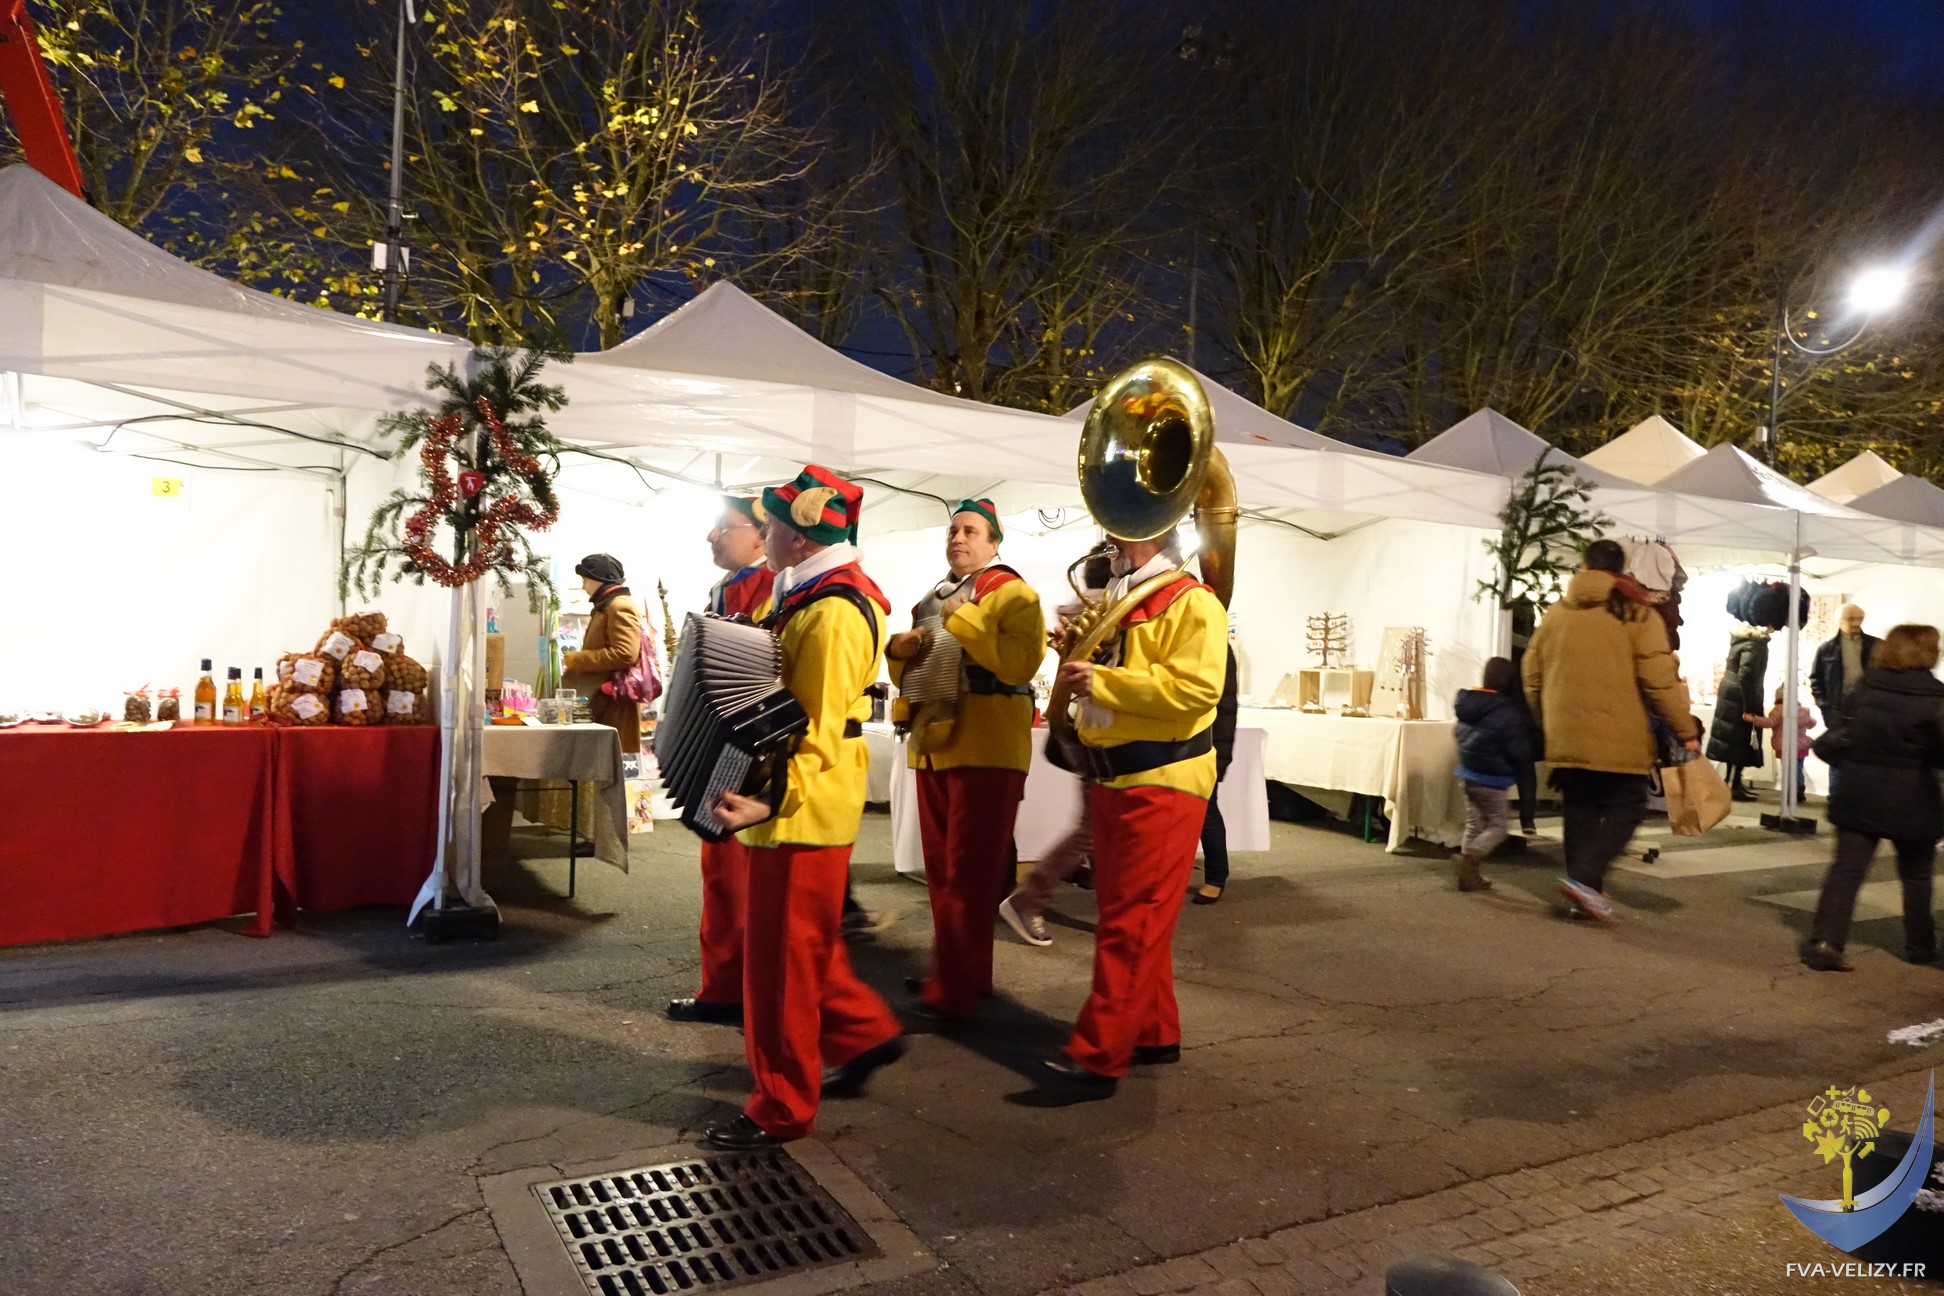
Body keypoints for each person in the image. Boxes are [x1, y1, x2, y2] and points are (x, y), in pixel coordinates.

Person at [704, 465, 905, 1149]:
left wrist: (768, 801)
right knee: (799, 954)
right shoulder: (809, 596)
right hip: (798, 805)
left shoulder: (831, 611)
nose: (762, 533)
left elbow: (815, 731)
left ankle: (782, 1106)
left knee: (781, 968)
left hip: (800, 809)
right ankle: (862, 1036)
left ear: (799, 536)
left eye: (770, 523)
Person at [1042, 528, 1226, 1092]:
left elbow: (1197, 691)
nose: (1107, 535)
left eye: (1119, 528)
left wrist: (1102, 680)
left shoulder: (1193, 601)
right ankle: (1153, 1031)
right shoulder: (1123, 598)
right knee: (1132, 916)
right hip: (1118, 776)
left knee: (1131, 922)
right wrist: (1075, 654)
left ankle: (1099, 1053)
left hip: (1162, 777)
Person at [886, 500, 1045, 1022]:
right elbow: (915, 670)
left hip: (987, 747)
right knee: (942, 874)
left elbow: (1021, 663)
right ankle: (959, 975)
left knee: (970, 876)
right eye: (953, 530)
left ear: (994, 542)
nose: (958, 538)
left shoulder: (1014, 593)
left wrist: (967, 619)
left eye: (971, 531)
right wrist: (898, 651)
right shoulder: (932, 597)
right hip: (935, 746)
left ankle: (955, 990)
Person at [1522, 538, 1701, 924]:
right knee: (1628, 807)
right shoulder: (1636, 613)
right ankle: (1584, 879)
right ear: (1622, 571)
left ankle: (1582, 897)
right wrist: (1685, 729)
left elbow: (1531, 675)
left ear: (1584, 567)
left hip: (1565, 733)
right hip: (1619, 736)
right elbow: (1660, 681)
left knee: (1580, 812)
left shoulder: (1556, 614)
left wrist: (1547, 720)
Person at [666, 500, 778, 1028]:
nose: (712, 537)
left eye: (722, 527)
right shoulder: (728, 588)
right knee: (722, 873)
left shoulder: (772, 586)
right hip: (729, 746)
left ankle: (734, 989)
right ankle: (726, 985)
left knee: (735, 875)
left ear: (759, 534)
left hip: (748, 751)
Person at [1800, 623, 1944, 972]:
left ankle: (1825, 943)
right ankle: (1921, 946)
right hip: (1913, 796)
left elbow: (1840, 736)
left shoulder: (1864, 689)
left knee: (1846, 870)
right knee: (1916, 875)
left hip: (1857, 791)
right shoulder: (1937, 698)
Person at [999, 543, 1114, 948]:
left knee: (1100, 829)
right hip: (1104, 727)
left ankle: (1111, 909)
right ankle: (1029, 897)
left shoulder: (1081, 610)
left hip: (1094, 725)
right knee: (1092, 831)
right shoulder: (1106, 609)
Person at [1452, 657, 1535, 893]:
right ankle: (1471, 855)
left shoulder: (1470, 703)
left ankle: (1469, 877)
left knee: (1474, 825)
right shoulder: (1507, 712)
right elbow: (1518, 750)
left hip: (1467, 774)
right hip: (1492, 780)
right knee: (1499, 826)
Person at [559, 553, 645, 753]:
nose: (584, 587)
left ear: (598, 580)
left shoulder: (619, 606)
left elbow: (625, 653)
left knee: (604, 761)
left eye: (585, 580)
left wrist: (577, 659)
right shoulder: (607, 606)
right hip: (603, 701)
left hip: (611, 703)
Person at [1192, 642, 1240, 905]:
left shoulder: (1217, 644)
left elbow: (1226, 707)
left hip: (1206, 743)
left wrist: (1220, 757)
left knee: (1206, 810)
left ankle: (1216, 877)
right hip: (1183, 741)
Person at [1706, 625, 1770, 802]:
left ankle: (1733, 782)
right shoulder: (1754, 644)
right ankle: (1732, 784)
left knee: (1735, 742)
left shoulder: (1743, 642)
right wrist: (1749, 707)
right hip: (1740, 698)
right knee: (1739, 742)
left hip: (1733, 696)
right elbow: (1746, 674)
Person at [1750, 685, 1816, 804]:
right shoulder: (1802, 710)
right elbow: (1811, 723)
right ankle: (1799, 790)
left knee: (1788, 770)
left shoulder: (1778, 710)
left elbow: (1769, 723)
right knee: (1798, 769)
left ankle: (1791, 792)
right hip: (1800, 746)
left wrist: (1754, 719)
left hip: (1785, 746)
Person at [1811, 604, 1880, 717]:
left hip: (1871, 707)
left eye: (1860, 619)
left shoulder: (1877, 646)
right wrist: (1824, 706)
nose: (1856, 623)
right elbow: (1816, 680)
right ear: (1839, 621)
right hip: (1837, 710)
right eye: (1851, 619)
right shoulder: (1826, 650)